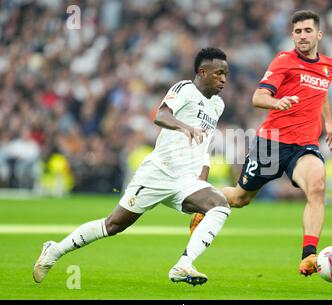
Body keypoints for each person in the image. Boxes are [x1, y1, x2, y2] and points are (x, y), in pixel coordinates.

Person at [33, 48, 231, 286]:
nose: (224, 79)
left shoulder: (217, 105)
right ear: (202, 72)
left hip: (185, 181)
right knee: (114, 225)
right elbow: (161, 115)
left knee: (220, 205)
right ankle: (54, 251)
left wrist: (202, 180)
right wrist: (183, 127)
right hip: (158, 173)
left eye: (226, 74)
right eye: (219, 73)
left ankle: (183, 265)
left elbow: (204, 147)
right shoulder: (185, 89)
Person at [190, 10, 332, 277]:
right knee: (239, 198)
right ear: (292, 35)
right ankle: (204, 201)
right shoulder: (284, 60)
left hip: (304, 145)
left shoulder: (329, 66)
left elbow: (322, 92)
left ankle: (309, 255)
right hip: (271, 143)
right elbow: (258, 97)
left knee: (317, 185)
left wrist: (328, 122)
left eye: (307, 31)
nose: (302, 36)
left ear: (319, 34)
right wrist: (277, 102)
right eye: (297, 31)